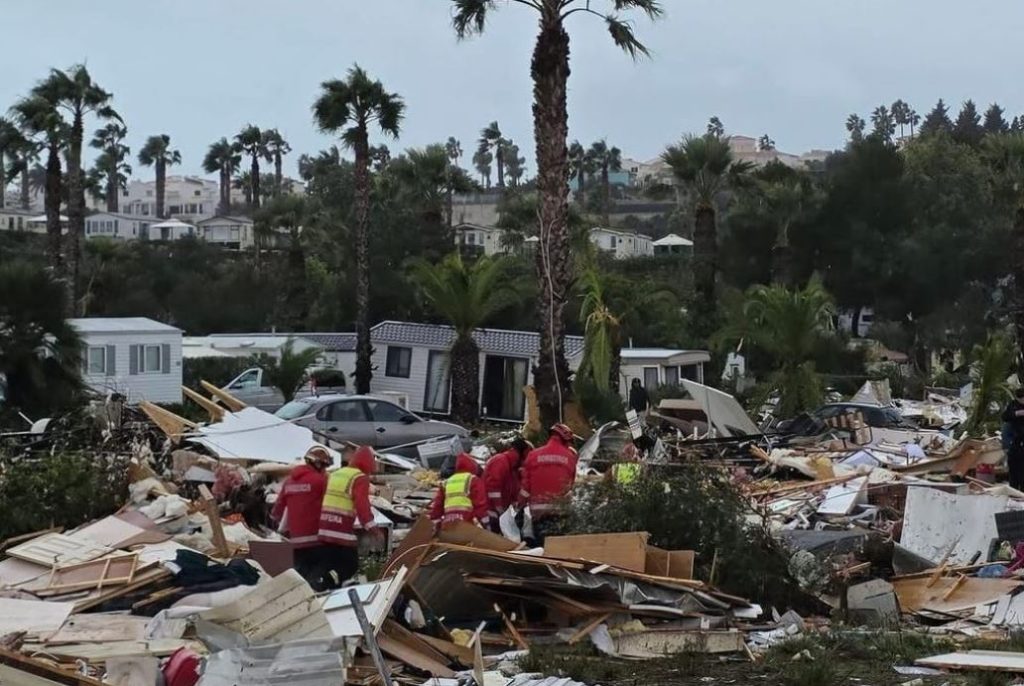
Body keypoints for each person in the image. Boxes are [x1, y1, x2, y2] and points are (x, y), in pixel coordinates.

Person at [316, 445, 380, 590]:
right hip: (340, 528)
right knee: (351, 564)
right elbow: (362, 506)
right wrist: (373, 529)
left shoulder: (336, 474)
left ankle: (329, 587)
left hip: (323, 526)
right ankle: (326, 584)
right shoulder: (360, 478)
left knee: (332, 563)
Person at [270, 445, 331, 585]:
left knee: (301, 578)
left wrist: (275, 525)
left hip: (296, 542)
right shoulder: (321, 481)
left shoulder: (289, 482)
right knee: (319, 577)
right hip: (317, 540)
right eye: (324, 466)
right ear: (317, 464)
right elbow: (330, 505)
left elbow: (277, 509)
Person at [518, 423, 577, 545]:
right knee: (557, 547)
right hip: (560, 513)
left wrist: (520, 505)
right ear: (565, 439)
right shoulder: (570, 457)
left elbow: (525, 488)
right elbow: (570, 485)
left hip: (538, 513)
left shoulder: (533, 455)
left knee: (540, 547)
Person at [483, 437, 533, 533]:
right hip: (490, 512)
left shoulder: (513, 468)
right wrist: (500, 509)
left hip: (499, 514)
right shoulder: (501, 461)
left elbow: (514, 492)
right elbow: (493, 488)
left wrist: (516, 505)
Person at [430, 453, 491, 531]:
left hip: (449, 523)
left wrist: (436, 523)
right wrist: (487, 525)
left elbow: (437, 506)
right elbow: (480, 504)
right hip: (468, 521)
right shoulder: (473, 480)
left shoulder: (446, 482)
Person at [1003, 389, 1024, 490]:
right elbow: (1005, 417)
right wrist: (1016, 414)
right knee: (1014, 467)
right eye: (1021, 399)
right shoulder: (1013, 405)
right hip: (1015, 440)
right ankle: (1013, 489)